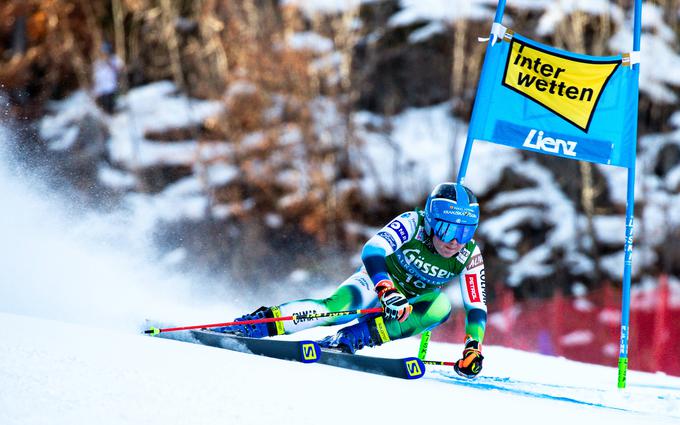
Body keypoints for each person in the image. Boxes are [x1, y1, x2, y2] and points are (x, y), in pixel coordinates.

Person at [219, 182, 487, 378]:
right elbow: (373, 249)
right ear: (430, 221)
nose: (455, 240)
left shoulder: (468, 253)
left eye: (465, 231)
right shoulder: (412, 223)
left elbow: (476, 308)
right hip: (375, 286)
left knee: (441, 307)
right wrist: (386, 288)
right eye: (448, 228)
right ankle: (259, 324)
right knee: (335, 310)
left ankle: (351, 338)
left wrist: (472, 348)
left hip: (406, 307)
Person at [92, 41, 124, 114]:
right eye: (104, 52)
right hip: (102, 89)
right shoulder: (97, 63)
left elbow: (121, 68)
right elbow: (96, 77)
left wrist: (111, 65)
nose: (105, 54)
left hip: (112, 86)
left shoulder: (114, 59)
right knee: (105, 106)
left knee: (111, 103)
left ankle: (114, 112)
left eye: (107, 52)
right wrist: (96, 90)